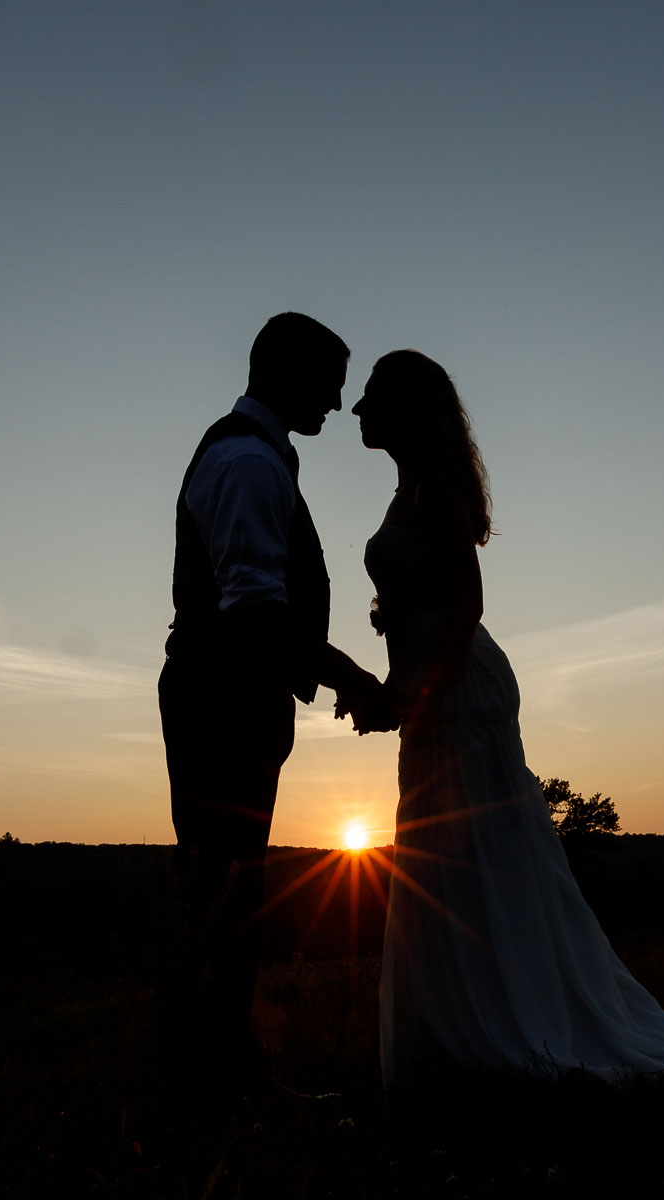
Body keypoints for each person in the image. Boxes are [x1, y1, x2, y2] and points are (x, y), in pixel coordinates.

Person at [350, 349, 664, 1085]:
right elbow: (414, 606)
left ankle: (510, 1029)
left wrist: (427, 697)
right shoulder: (409, 494)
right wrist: (392, 687)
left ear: (407, 408)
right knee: (444, 860)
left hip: (461, 694)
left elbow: (467, 606)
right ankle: (454, 1035)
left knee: (475, 860)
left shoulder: (436, 497)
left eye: (372, 399)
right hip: (434, 688)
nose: (359, 412)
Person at [160, 312, 395, 1084]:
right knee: (225, 885)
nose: (337, 401)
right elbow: (256, 607)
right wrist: (350, 676)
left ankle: (212, 1059)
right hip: (218, 703)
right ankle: (209, 1068)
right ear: (288, 373)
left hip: (229, 700)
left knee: (231, 881)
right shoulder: (250, 464)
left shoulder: (256, 454)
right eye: (329, 383)